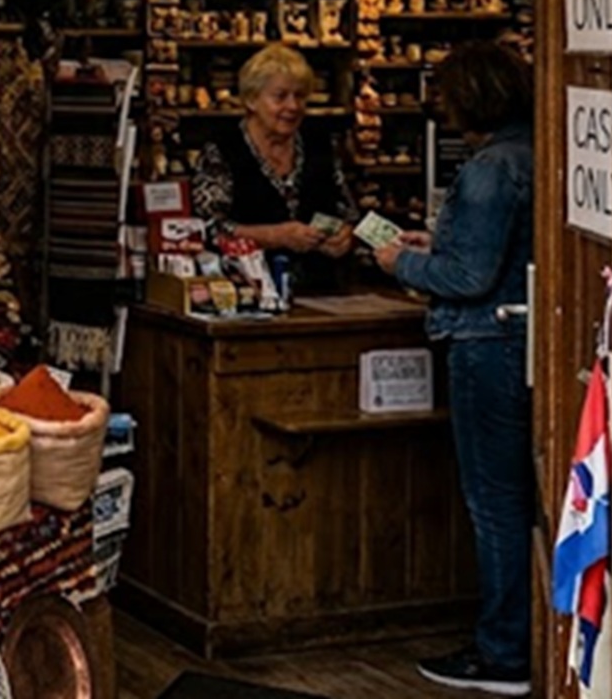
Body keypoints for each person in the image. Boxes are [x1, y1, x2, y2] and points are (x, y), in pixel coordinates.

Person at [374, 40, 534, 696]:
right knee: (524, 496)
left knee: (493, 500)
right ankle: (528, 637)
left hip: (484, 343)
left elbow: (468, 276)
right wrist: (434, 241)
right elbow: (491, 249)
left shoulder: (488, 167)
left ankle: (503, 652)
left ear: (471, 97)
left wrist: (400, 263)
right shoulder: (533, 152)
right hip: (523, 338)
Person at [192, 43, 355, 289]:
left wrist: (346, 236)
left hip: (321, 292)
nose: (292, 106)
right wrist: (276, 236)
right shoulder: (222, 151)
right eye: (280, 97)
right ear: (251, 100)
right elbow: (208, 229)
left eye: (300, 96)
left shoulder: (319, 145)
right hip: (247, 291)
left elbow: (349, 214)